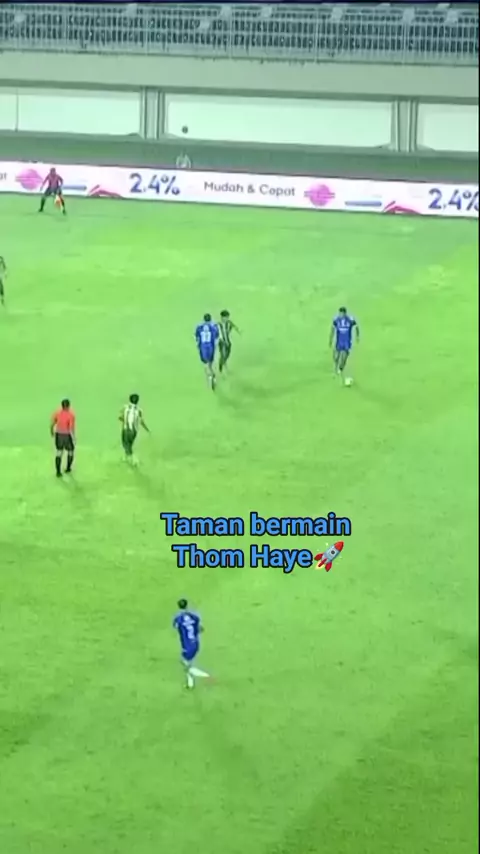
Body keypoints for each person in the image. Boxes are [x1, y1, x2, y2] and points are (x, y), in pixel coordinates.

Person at [173, 599, 210, 690]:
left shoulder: (178, 619)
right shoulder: (194, 617)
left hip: (187, 646)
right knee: (188, 663)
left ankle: (206, 676)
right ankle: (190, 684)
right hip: (195, 644)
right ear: (187, 605)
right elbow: (201, 629)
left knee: (185, 665)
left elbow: (176, 627)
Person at [329, 306, 359, 383]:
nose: (340, 315)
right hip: (339, 341)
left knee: (344, 356)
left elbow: (356, 326)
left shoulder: (350, 320)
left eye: (342, 313)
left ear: (345, 313)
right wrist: (331, 339)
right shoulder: (336, 320)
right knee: (336, 356)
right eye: (340, 313)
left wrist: (357, 336)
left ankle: (340, 368)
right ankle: (336, 369)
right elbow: (332, 329)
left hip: (347, 342)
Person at [119, 393, 149, 464]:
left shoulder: (125, 407)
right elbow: (141, 422)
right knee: (129, 445)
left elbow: (120, 417)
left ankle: (133, 460)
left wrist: (123, 420)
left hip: (126, 430)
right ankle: (127, 459)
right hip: (134, 431)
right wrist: (147, 430)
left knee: (125, 445)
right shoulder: (139, 410)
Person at [51, 399, 75, 477]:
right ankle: (68, 468)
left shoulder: (57, 413)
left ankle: (58, 472)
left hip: (58, 435)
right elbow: (71, 428)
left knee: (59, 452)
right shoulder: (71, 415)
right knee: (70, 451)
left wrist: (52, 431)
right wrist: (73, 438)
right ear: (68, 406)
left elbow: (53, 423)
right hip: (66, 435)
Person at [195, 313, 219, 390]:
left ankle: (210, 377)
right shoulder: (214, 327)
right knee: (211, 364)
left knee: (205, 364)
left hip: (203, 348)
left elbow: (197, 338)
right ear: (210, 319)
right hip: (211, 347)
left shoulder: (199, 327)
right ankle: (214, 377)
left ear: (204, 319)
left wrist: (198, 345)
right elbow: (216, 337)